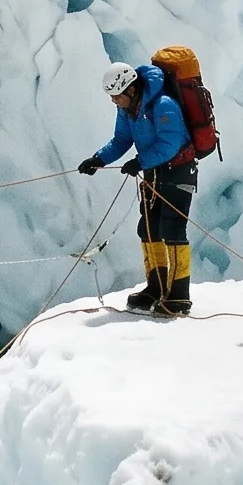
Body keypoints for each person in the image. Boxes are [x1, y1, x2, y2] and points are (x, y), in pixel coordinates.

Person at [78, 61, 196, 316]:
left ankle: (178, 296)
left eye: (116, 96)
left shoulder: (163, 105)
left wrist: (140, 161)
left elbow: (170, 143)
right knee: (149, 227)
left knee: (173, 228)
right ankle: (156, 286)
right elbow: (122, 139)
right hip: (154, 172)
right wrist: (98, 159)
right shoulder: (129, 109)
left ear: (130, 89)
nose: (114, 102)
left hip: (178, 170)